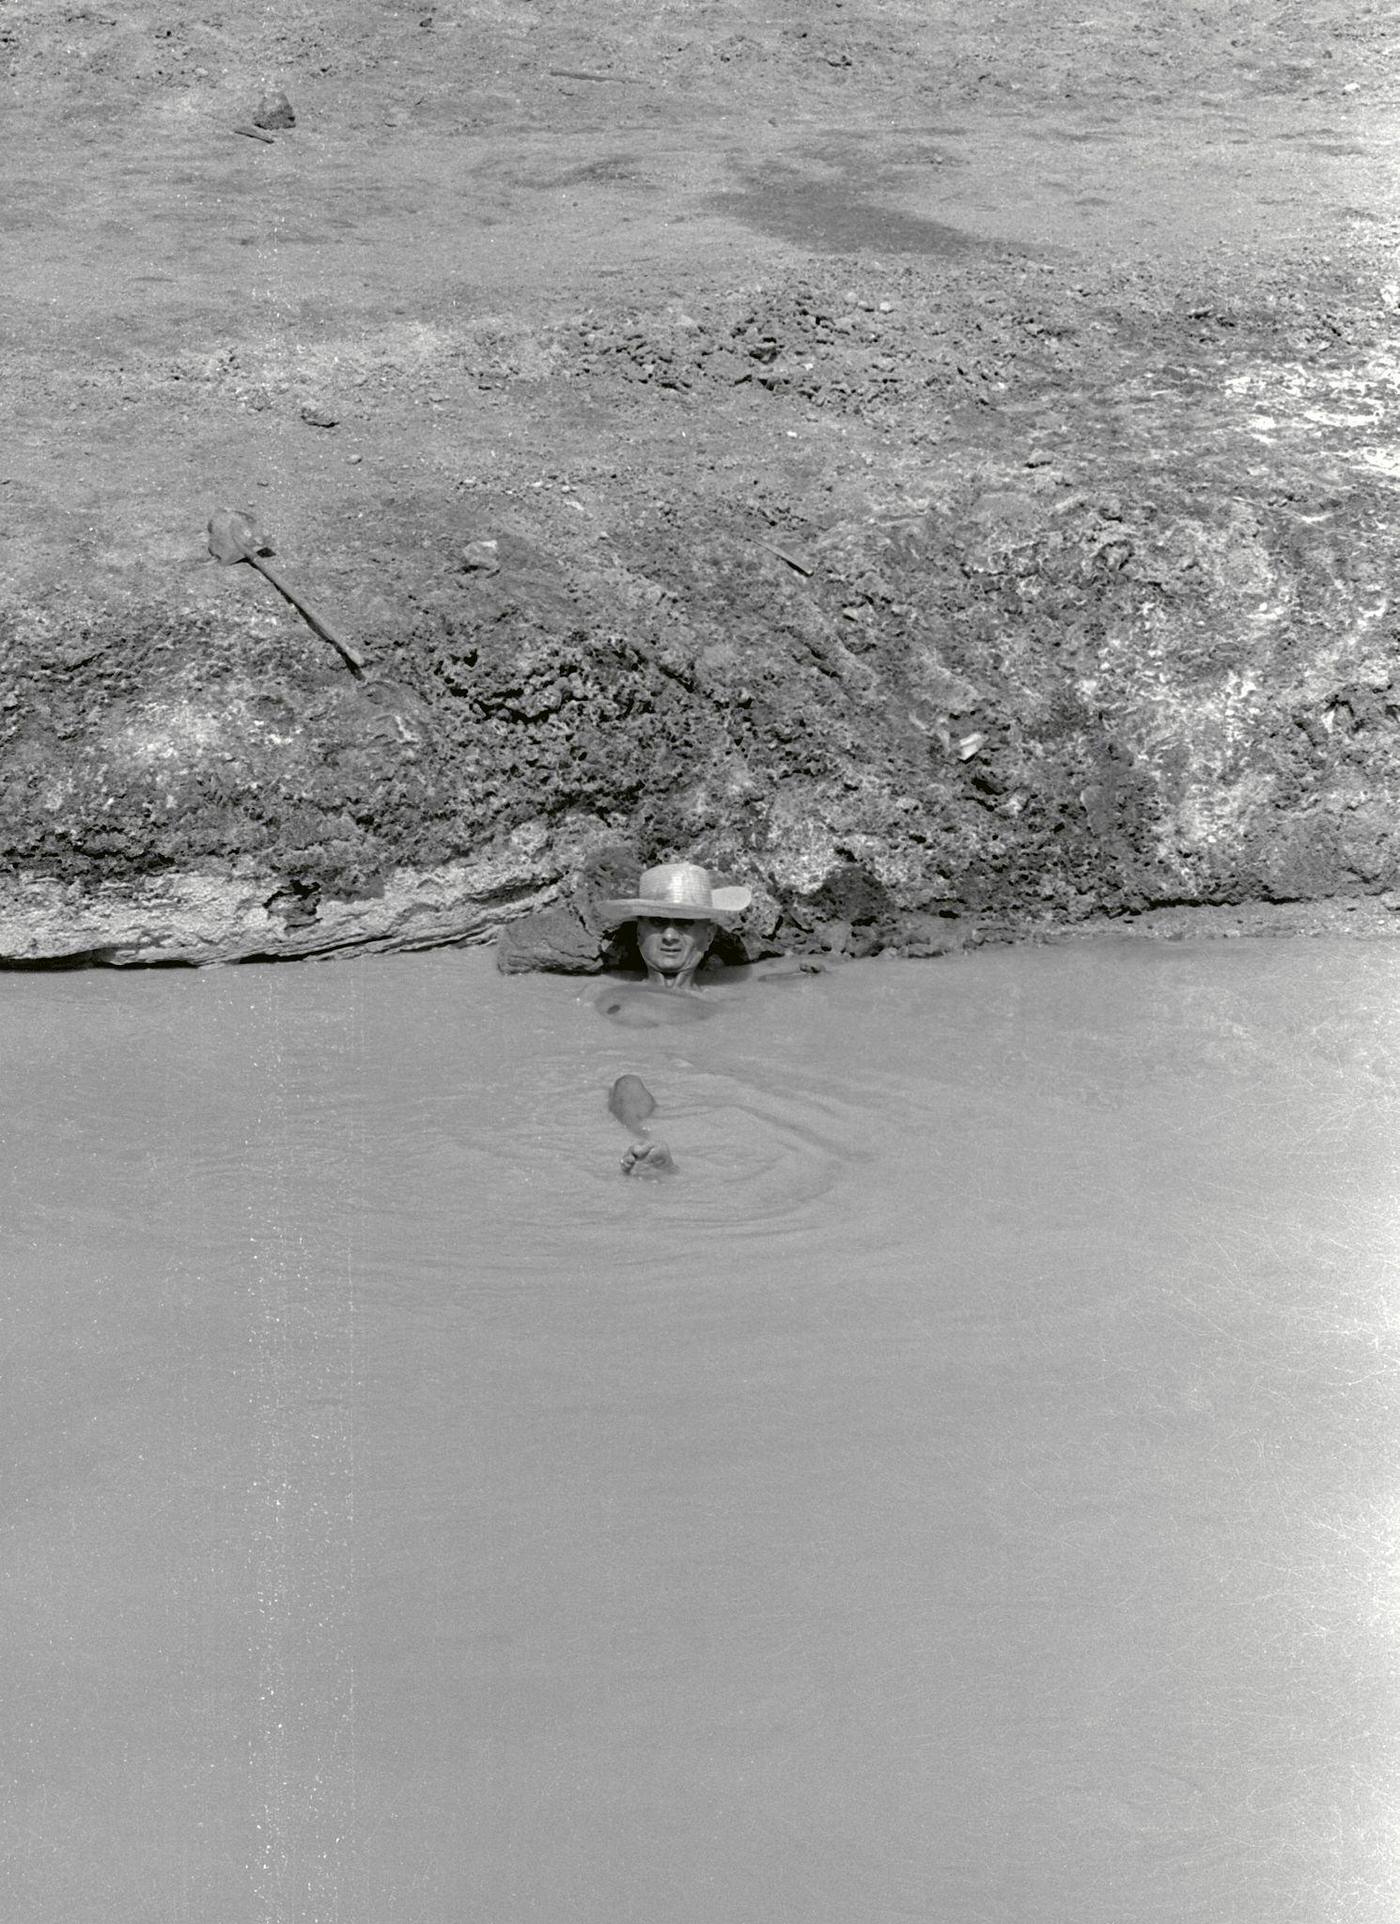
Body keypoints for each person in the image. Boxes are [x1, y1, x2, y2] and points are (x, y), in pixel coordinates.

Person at [595, 861, 752, 1176]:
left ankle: (655, 1157)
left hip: (693, 1091)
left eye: (683, 924)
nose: (669, 935)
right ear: (639, 933)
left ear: (707, 937)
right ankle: (646, 1146)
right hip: (627, 1087)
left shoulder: (729, 1002)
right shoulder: (601, 994)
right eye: (657, 922)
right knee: (627, 1083)